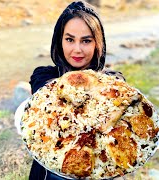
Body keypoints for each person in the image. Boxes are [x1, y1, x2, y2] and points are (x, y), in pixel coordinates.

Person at [27, 1, 125, 179]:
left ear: (97, 43)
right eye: (70, 39)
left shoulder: (113, 83)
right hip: (52, 173)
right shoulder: (43, 77)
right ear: (60, 40)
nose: (77, 49)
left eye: (86, 40)